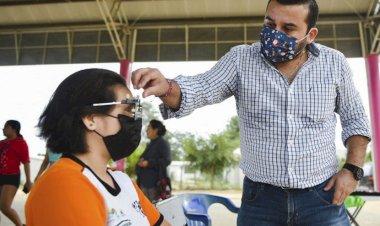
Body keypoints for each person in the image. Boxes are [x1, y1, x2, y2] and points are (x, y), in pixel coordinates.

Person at [132, 0, 372, 225]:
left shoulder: (334, 63)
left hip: (322, 198)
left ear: (311, 35)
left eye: (288, 28)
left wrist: (352, 170)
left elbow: (356, 118)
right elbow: (201, 88)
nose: (275, 34)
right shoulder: (241, 60)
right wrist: (167, 87)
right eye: (270, 24)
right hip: (261, 202)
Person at [25, 69, 171, 226]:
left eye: (135, 111)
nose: (135, 120)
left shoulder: (122, 181)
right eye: (127, 110)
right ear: (91, 119)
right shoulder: (63, 184)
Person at [0, 120, 32, 226]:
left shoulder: (21, 143)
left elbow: (26, 162)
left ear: (14, 129)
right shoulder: (1, 143)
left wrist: (28, 180)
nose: (3, 128)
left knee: (5, 207)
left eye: (6, 127)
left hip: (11, 177)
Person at [136, 119, 172, 202]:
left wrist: (148, 163)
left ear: (155, 130)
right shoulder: (151, 143)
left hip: (155, 185)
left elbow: (167, 160)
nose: (146, 130)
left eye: (149, 128)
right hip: (145, 184)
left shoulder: (162, 143)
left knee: (154, 211)